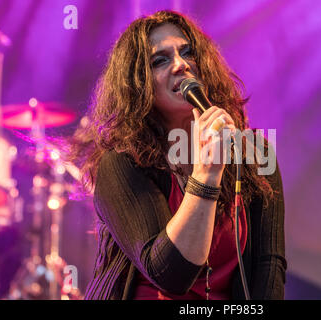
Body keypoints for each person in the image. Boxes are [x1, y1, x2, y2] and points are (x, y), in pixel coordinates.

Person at [69, 10, 286, 300]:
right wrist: (206, 174)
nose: (181, 65)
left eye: (188, 53)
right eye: (160, 60)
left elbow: (268, 265)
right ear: (138, 84)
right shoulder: (121, 162)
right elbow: (170, 274)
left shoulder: (254, 154)